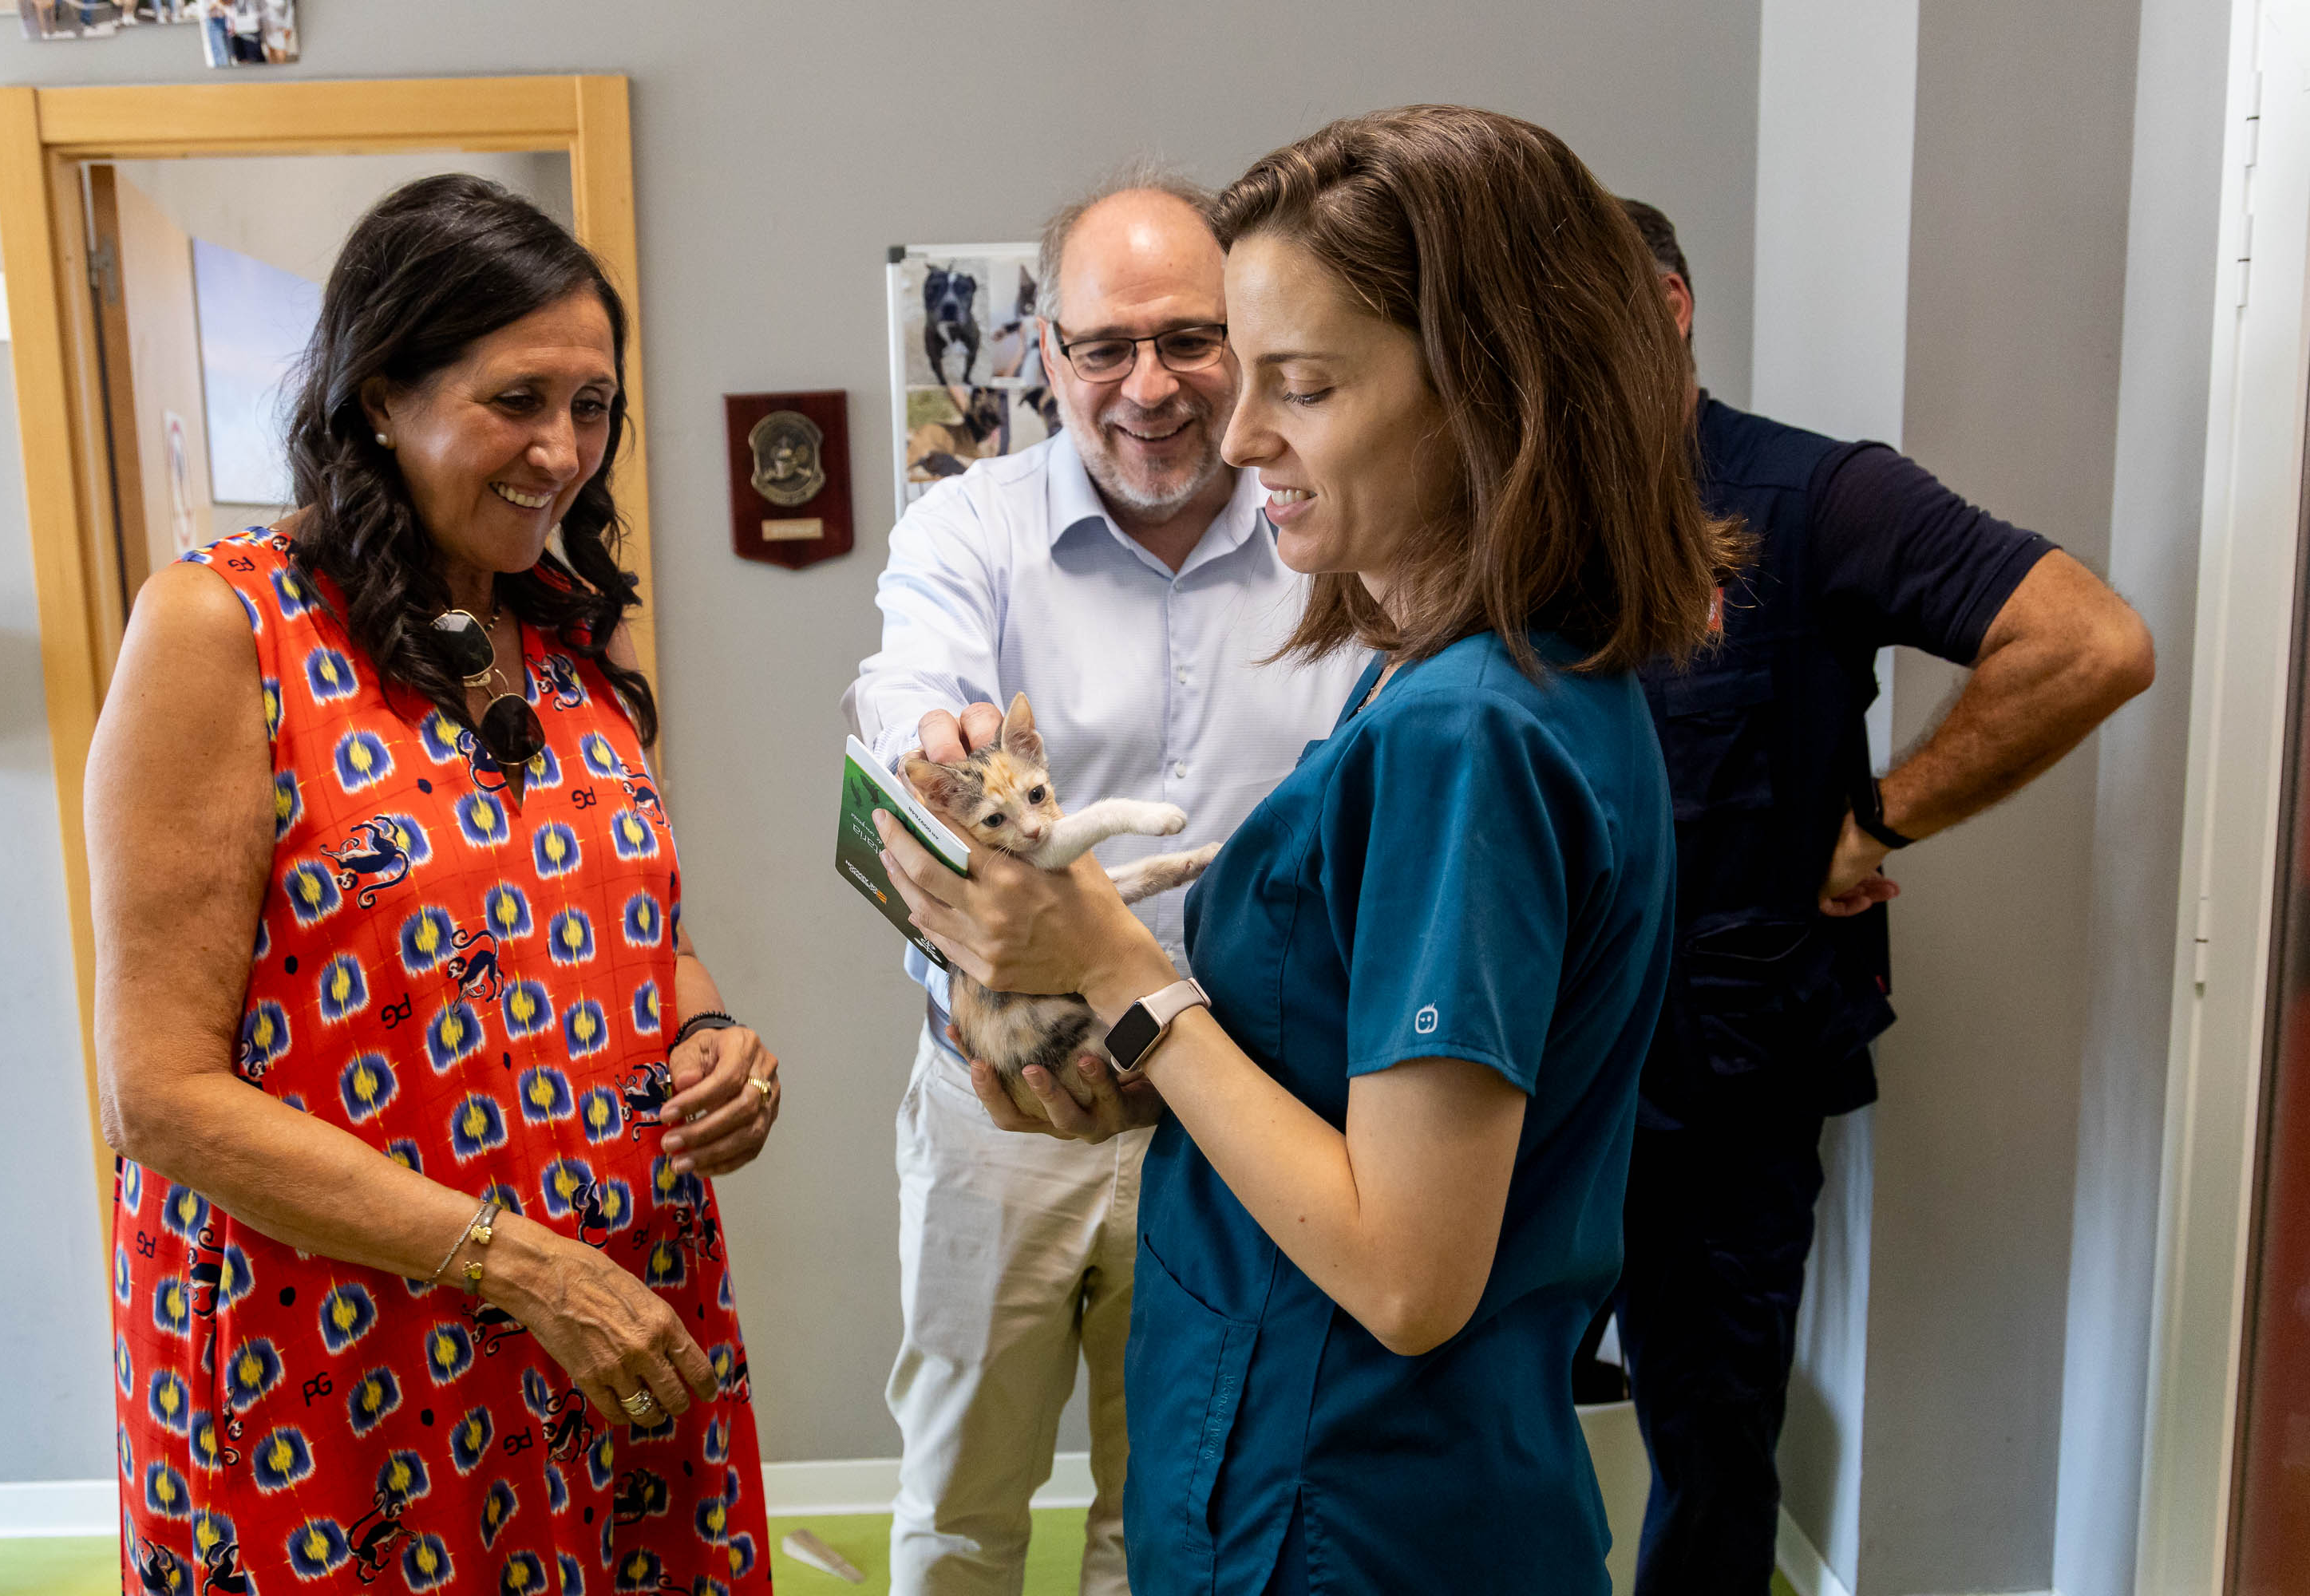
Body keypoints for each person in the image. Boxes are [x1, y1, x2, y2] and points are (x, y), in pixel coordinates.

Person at [876, 106, 1738, 1594]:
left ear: (1489, 394)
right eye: (1111, 350)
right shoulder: (1439, 676)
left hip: (1353, 1498)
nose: (1236, 433)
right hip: (1335, 1459)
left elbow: (1407, 1273)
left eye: (1304, 384)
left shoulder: (1468, 733)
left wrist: (1116, 966)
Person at [88, 175, 777, 1596]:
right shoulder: (225, 628)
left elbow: (632, 941)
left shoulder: (570, 639)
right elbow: (158, 1095)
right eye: (517, 400)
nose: (562, 451)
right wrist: (517, 1266)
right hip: (346, 1354)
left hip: (603, 1321)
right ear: (381, 397)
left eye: (592, 406)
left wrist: (711, 1037)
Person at [1605, 198, 2157, 1595]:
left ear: (1667, 309)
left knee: (1712, 1446)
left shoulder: (1815, 495)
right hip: (1532, 1064)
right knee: (1469, 1423)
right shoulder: (1511, 513)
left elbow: (2089, 643)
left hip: (1727, 1085)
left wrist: (1883, 815)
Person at [848, 168, 1367, 1593]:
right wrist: (932, 743)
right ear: (1048, 352)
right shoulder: (971, 527)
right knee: (961, 1507)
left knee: (1180, 1516)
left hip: (1238, 1107)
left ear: (1246, 333)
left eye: (1190, 339)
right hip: (1002, 1098)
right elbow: (902, 689)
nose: (1150, 387)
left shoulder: (1331, 535)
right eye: (1105, 347)